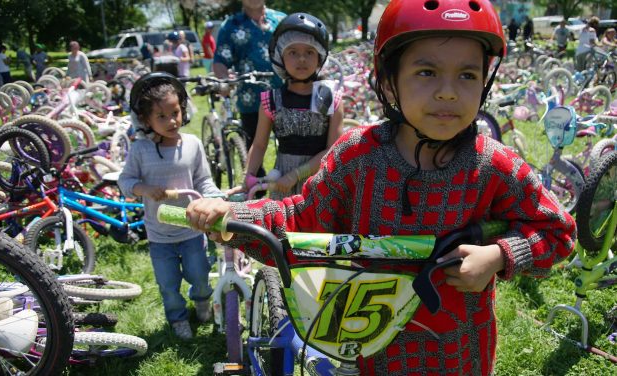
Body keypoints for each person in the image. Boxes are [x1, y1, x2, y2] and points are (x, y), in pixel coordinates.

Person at [186, 0, 576, 373]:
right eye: (426, 72)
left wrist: (499, 256)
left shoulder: (493, 164)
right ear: (389, 83)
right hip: (370, 343)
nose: (448, 91)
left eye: (467, 75)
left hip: (459, 349)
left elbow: (557, 230)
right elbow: (300, 218)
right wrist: (233, 216)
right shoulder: (358, 156)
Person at [118, 72, 221, 340]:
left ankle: (201, 301)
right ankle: (177, 318)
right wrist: (144, 190)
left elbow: (203, 180)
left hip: (191, 230)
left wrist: (216, 198)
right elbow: (125, 180)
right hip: (159, 234)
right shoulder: (141, 150)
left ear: (183, 109)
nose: (172, 121)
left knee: (199, 275)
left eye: (175, 112)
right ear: (146, 120)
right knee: (168, 284)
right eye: (161, 116)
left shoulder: (193, 145)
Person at [244, 13, 343, 199]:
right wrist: (247, 177)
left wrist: (296, 175)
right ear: (280, 56)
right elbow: (259, 144)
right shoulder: (271, 100)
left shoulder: (330, 98)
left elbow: (332, 150)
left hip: (320, 184)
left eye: (309, 52)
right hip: (282, 186)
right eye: (293, 52)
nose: (302, 59)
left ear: (320, 58)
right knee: (281, 226)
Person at [213, 0, 286, 178]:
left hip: (285, 96)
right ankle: (256, 193)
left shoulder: (281, 20)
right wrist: (223, 80)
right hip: (250, 99)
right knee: (254, 151)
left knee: (290, 146)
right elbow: (220, 60)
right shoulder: (231, 25)